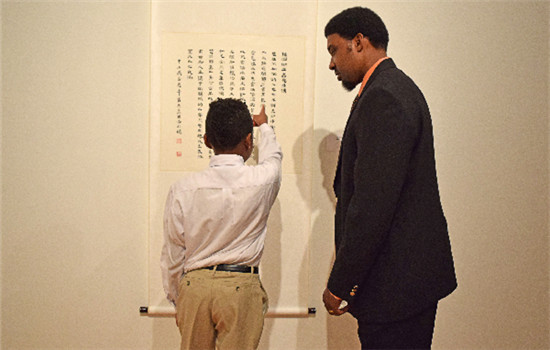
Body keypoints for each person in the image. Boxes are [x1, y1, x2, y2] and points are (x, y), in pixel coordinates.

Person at [321, 7, 457, 349]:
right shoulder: (395, 88)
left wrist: (341, 283)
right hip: (404, 282)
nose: (332, 64)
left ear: (359, 42)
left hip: (396, 286)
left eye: (334, 50)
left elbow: (373, 205)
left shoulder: (383, 97)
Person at [160, 98, 282, 350]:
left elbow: (173, 252)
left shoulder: (182, 189)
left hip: (195, 287)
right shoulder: (262, 179)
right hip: (239, 287)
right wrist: (264, 127)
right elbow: (274, 156)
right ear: (248, 140)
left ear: (206, 140)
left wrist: (178, 297)